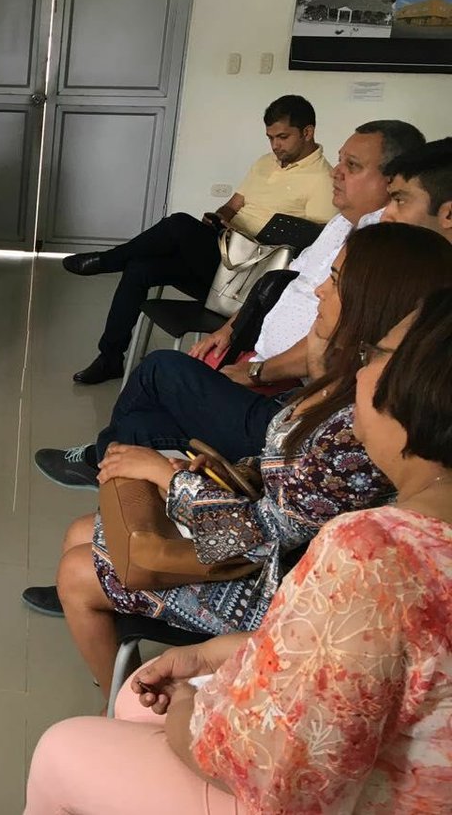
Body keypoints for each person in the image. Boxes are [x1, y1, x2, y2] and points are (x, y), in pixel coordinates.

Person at [25, 287, 452, 814]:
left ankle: (108, 696)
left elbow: (271, 772)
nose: (318, 287)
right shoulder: (384, 500)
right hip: (268, 570)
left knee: (61, 741)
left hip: (259, 580)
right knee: (83, 536)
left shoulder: (372, 545)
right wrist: (207, 657)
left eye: (375, 355)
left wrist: (189, 700)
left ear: (421, 388)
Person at [24, 223, 452, 698]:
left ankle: (132, 708)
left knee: (77, 572)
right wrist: (209, 474)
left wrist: (165, 475)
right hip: (266, 547)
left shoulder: (361, 424)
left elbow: (259, 541)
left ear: (373, 302)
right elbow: (281, 476)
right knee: (81, 532)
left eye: (335, 278)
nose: (319, 288)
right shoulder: (346, 382)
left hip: (278, 590)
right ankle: (124, 679)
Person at [36, 119, 428, 487]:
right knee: (145, 267)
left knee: (159, 367)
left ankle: (102, 458)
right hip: (247, 290)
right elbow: (284, 279)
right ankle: (109, 374)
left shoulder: (385, 259)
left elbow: (331, 349)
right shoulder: (339, 221)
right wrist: (230, 330)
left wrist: (258, 373)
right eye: (340, 160)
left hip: (285, 386)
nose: (336, 171)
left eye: (353, 165)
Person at [65, 95, 334, 385]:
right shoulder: (265, 163)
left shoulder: (323, 180)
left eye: (283, 137)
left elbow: (306, 249)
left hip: (248, 278)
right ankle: (110, 358)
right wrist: (220, 218)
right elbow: (235, 204)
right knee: (140, 268)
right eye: (270, 138)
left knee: (179, 223)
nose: (275, 145)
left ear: (308, 132)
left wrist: (247, 237)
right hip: (224, 257)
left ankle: (107, 260)